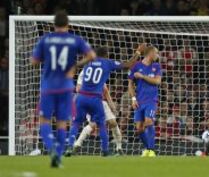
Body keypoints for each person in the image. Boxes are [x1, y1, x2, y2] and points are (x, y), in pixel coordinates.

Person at [31, 11, 96, 167]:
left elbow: (33, 61)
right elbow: (92, 55)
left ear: (54, 25)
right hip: (66, 88)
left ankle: (52, 149)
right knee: (62, 123)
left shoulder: (45, 39)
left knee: (44, 121)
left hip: (48, 87)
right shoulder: (75, 40)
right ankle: (58, 156)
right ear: (68, 24)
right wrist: (75, 65)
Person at [67, 45, 144, 156]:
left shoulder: (88, 65)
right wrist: (137, 52)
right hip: (93, 99)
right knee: (96, 124)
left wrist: (111, 103)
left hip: (87, 98)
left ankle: (118, 148)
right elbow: (128, 64)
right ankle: (88, 147)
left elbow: (104, 89)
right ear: (106, 54)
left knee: (112, 122)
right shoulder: (107, 63)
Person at [128, 46, 162, 157]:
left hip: (151, 100)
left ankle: (151, 150)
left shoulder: (156, 66)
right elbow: (130, 84)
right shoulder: (136, 66)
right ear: (150, 53)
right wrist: (133, 99)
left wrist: (142, 76)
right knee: (139, 129)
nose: (158, 55)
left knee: (148, 121)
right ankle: (147, 149)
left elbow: (157, 81)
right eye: (156, 53)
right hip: (139, 101)